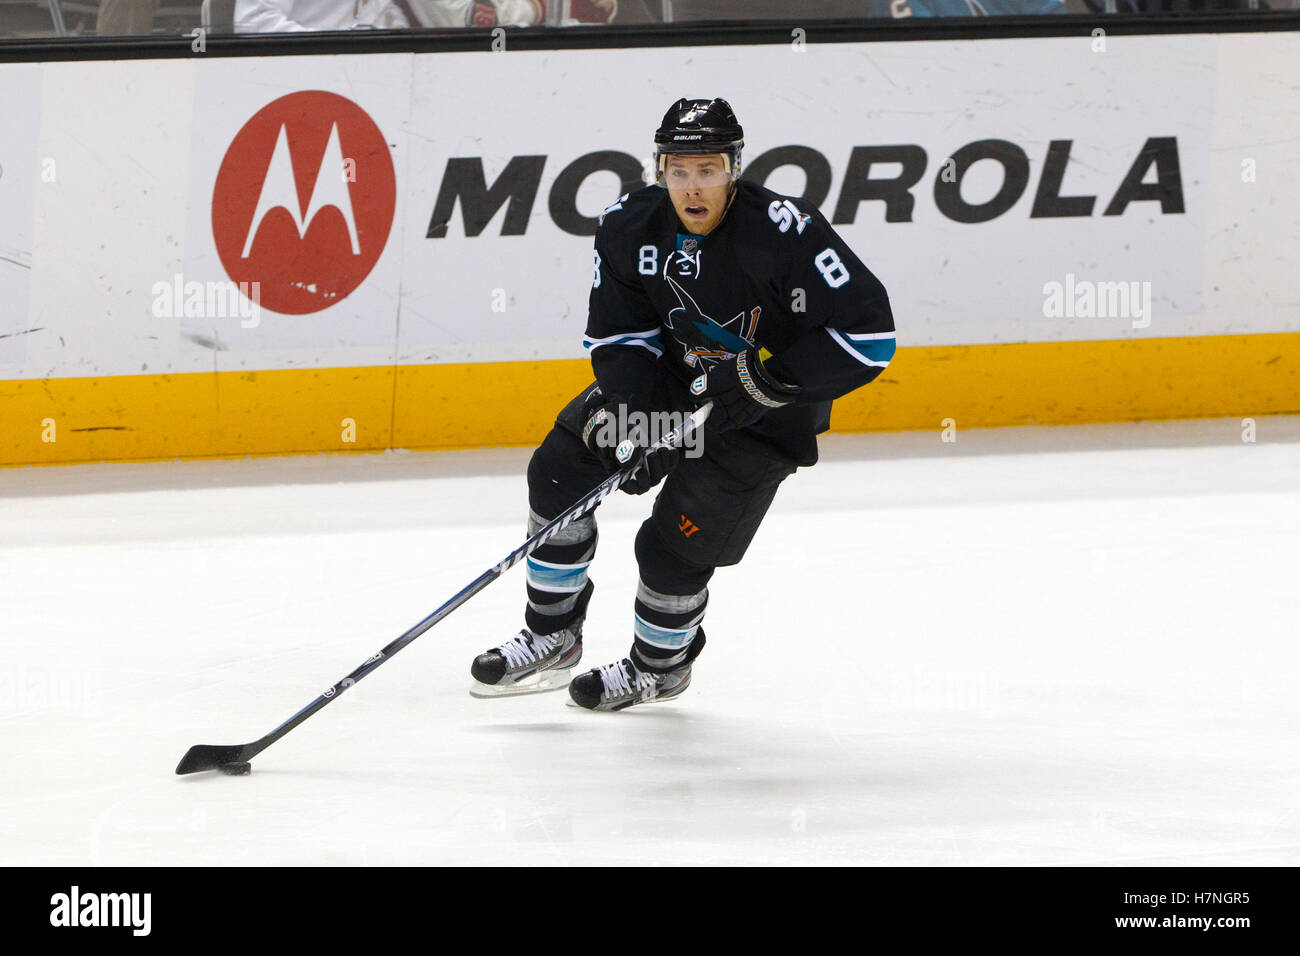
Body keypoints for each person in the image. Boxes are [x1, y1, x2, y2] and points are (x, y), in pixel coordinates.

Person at [469, 97, 896, 711]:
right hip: (670, 385)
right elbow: (621, 335)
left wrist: (764, 384)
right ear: (659, 168)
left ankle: (659, 667)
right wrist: (634, 418)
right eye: (678, 171)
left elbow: (869, 335)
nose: (693, 188)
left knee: (675, 546)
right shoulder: (628, 225)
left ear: (734, 167)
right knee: (559, 473)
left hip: (763, 411)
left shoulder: (785, 231)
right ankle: (551, 635)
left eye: (708, 170)